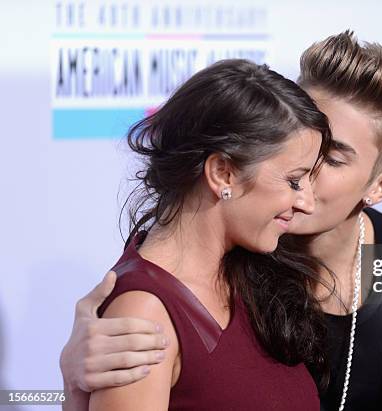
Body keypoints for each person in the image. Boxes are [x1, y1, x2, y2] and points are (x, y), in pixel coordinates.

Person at [61, 31, 382, 411]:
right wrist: (78, 377)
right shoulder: (221, 258)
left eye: (332, 159)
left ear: (379, 186)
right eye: (299, 149)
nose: (305, 175)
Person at [81, 58, 333, 410]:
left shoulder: (254, 276)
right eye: (294, 180)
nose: (306, 202)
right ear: (223, 174)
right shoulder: (144, 314)